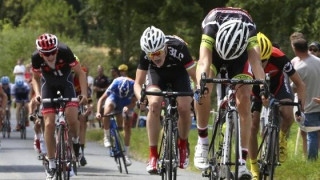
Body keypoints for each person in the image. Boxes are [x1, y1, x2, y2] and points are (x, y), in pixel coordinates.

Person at [194, 7, 266, 178]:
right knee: (203, 90)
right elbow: (204, 61)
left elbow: (256, 62)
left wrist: (263, 87)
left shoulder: (249, 30)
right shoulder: (211, 25)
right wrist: (201, 86)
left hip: (239, 57)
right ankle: (202, 141)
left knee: (245, 100)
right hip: (215, 54)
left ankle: (242, 162)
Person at [134, 26, 196, 173]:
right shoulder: (146, 53)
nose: (155, 57)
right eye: (151, 55)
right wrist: (141, 98)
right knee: (154, 104)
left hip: (179, 73)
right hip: (157, 75)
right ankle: (153, 155)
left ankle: (182, 144)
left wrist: (199, 88)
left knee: (184, 107)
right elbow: (137, 83)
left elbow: (195, 75)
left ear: (165, 46)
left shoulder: (179, 47)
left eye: (158, 52)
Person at [249, 32, 305, 179]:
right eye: (258, 61)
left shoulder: (279, 57)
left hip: (277, 85)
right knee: (252, 126)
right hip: (255, 88)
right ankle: (254, 167)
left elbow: (300, 84)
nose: (261, 65)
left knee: (288, 114)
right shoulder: (246, 58)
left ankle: (281, 138)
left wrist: (301, 109)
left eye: (265, 61)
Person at [31, 33, 88, 179]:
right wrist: (37, 94)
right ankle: (51, 162)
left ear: (57, 49)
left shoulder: (65, 51)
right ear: (40, 53)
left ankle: (75, 141)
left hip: (66, 85)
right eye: (46, 53)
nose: (50, 56)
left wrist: (84, 95)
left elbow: (80, 73)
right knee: (49, 124)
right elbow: (36, 78)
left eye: (52, 52)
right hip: (48, 87)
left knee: (72, 117)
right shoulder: (36, 58)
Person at [290, 35, 320, 160]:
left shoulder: (299, 68)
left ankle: (312, 162)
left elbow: (293, 88)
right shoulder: (319, 61)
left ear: (295, 49)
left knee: (312, 134)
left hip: (310, 106)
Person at [96, 76, 137, 166]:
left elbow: (134, 102)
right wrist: (98, 112)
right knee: (107, 112)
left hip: (127, 101)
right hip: (114, 97)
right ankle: (106, 136)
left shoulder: (134, 85)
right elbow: (101, 99)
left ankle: (126, 155)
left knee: (127, 125)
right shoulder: (115, 84)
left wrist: (128, 107)